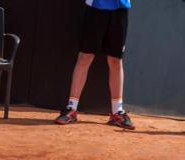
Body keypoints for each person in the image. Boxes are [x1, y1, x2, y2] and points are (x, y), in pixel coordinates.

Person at [55, 0, 135, 130]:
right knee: (85, 57)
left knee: (115, 61)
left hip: (120, 8)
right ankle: (71, 108)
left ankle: (117, 112)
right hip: (95, 8)